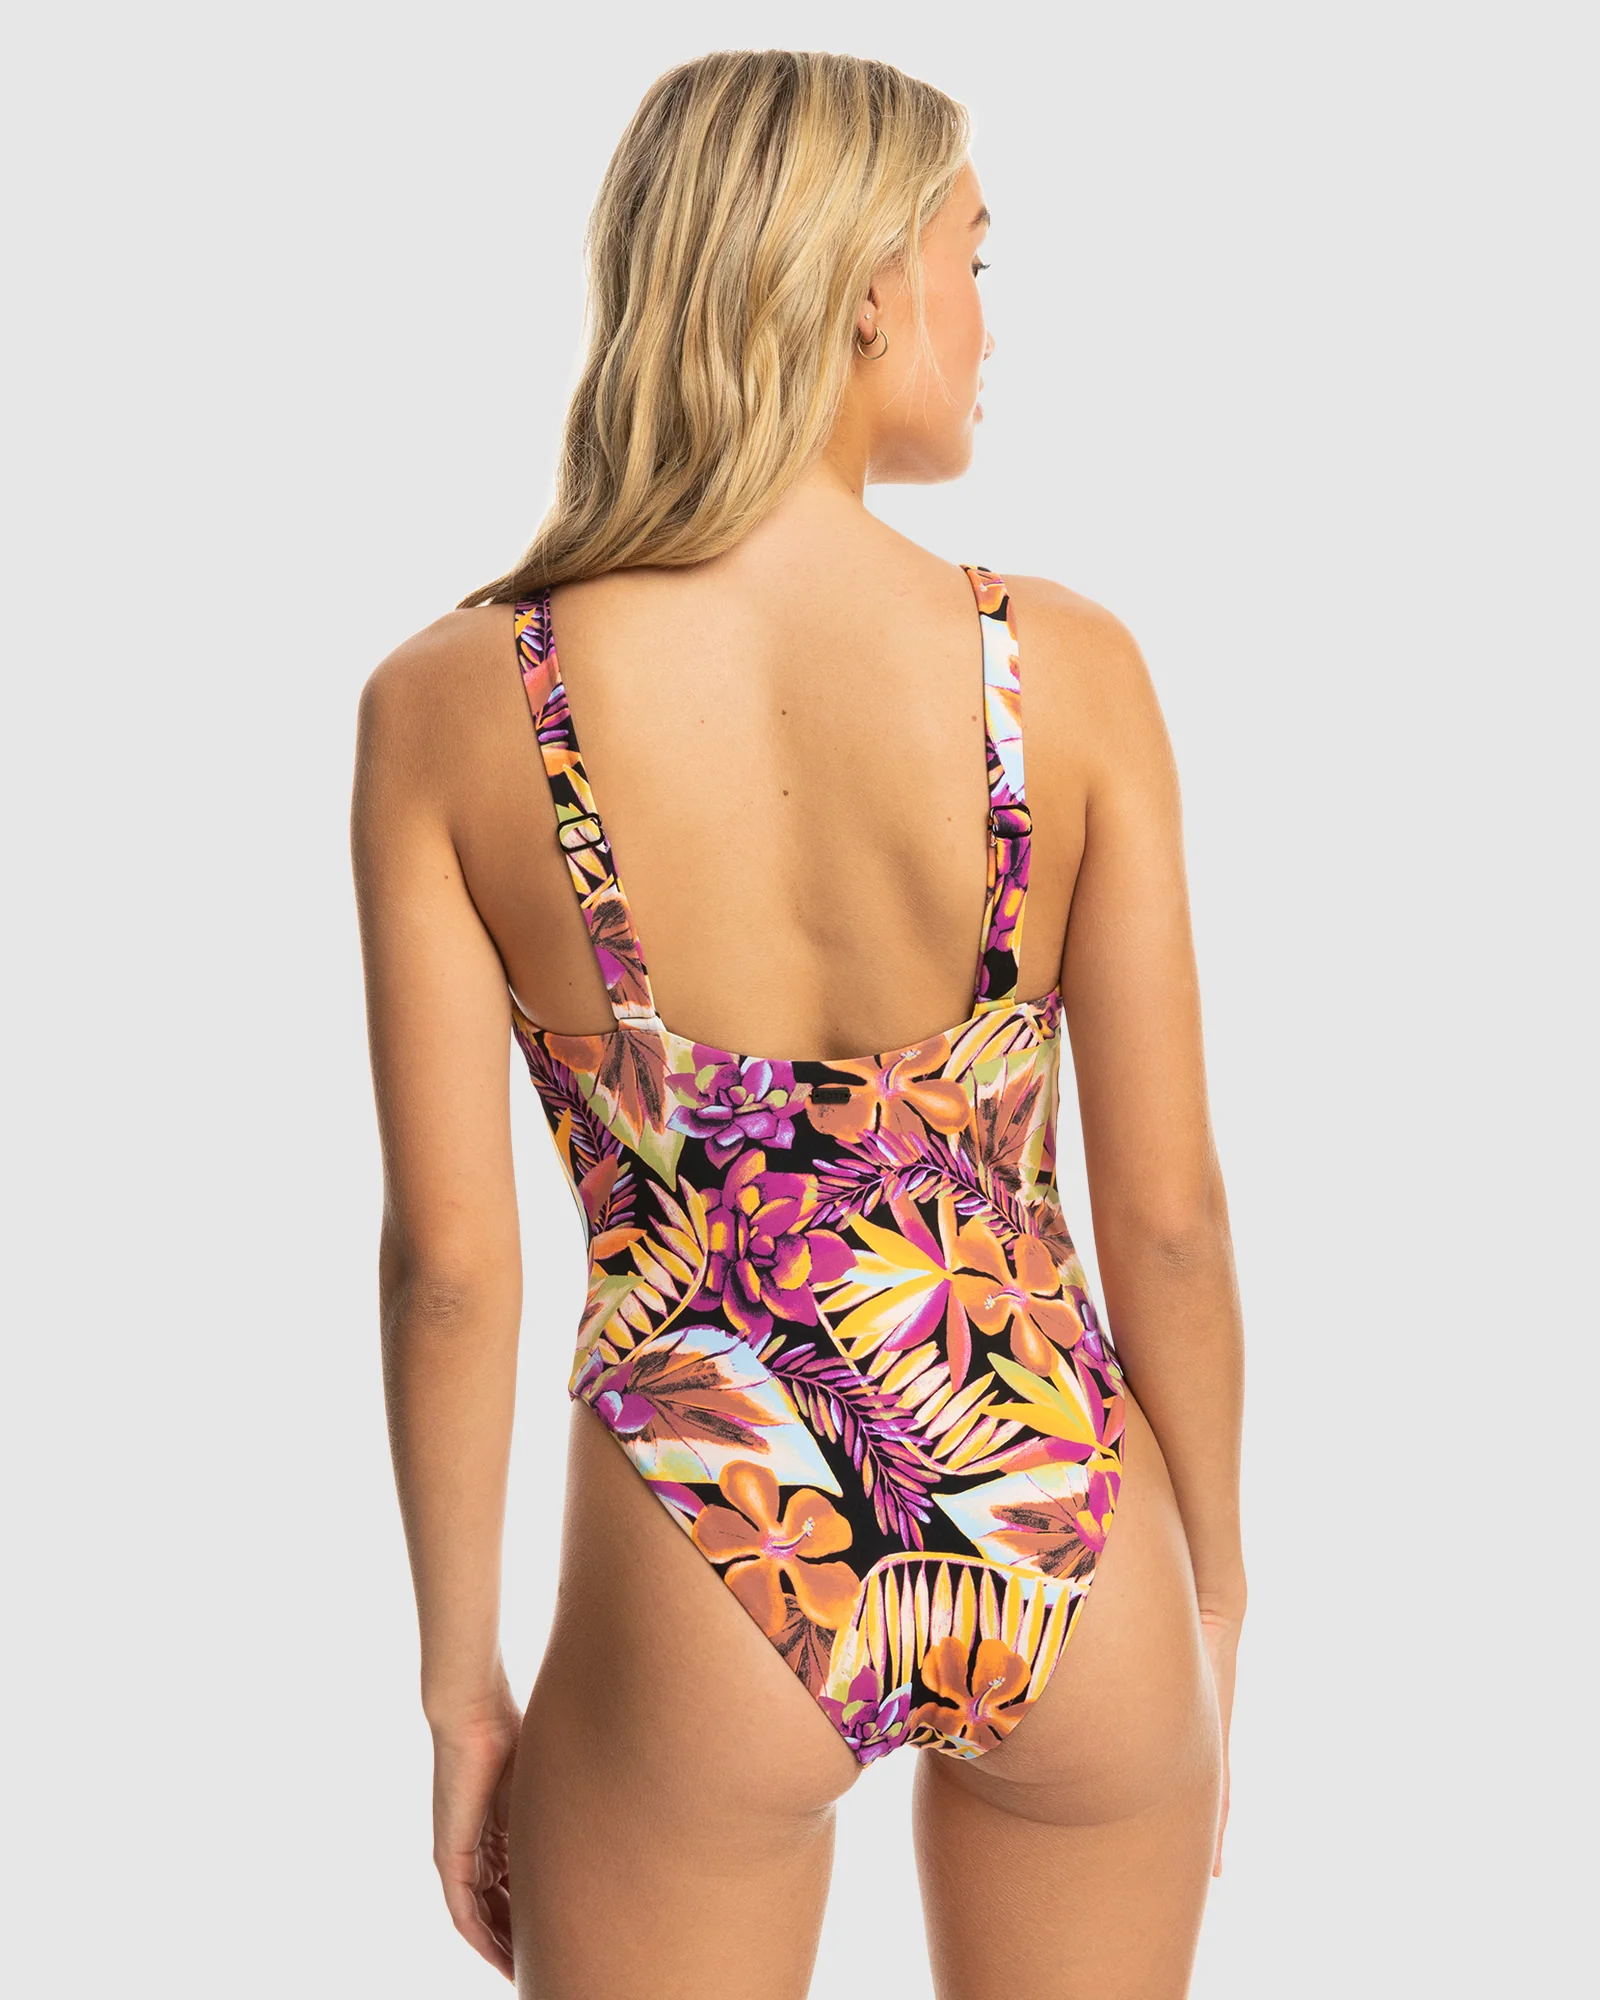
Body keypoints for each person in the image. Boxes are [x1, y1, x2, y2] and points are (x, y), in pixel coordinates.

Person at [353, 48, 1245, 2000]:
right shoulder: (1063, 671)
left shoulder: (455, 702)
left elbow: (449, 1270)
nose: (987, 323)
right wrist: (1213, 1598)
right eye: (973, 262)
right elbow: (1169, 1222)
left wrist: (459, 1692)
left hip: (708, 1512)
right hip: (1058, 1494)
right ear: (862, 289)